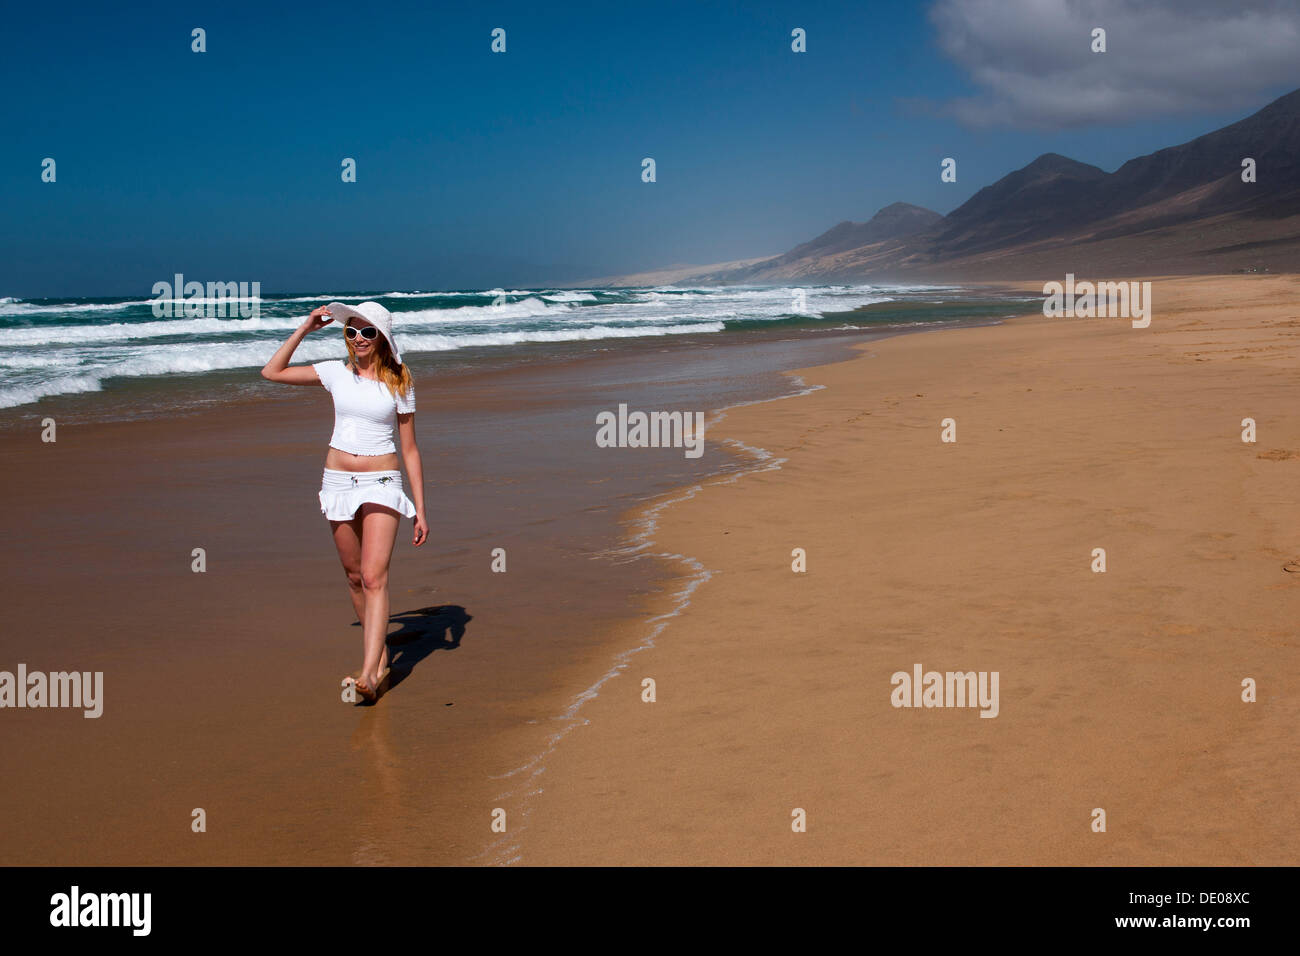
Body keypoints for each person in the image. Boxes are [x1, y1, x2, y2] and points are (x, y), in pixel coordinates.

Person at [261, 301, 429, 702]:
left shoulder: (399, 381)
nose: (358, 340)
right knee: (354, 577)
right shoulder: (335, 372)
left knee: (374, 577)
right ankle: (382, 658)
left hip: (383, 481)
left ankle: (370, 674)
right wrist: (304, 329)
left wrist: (420, 508)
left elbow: (410, 450)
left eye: (367, 333)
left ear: (382, 339)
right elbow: (271, 372)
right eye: (351, 332)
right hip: (337, 481)